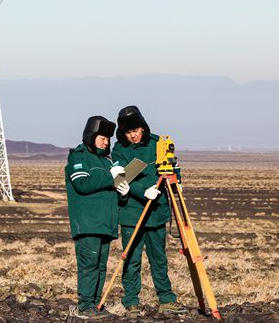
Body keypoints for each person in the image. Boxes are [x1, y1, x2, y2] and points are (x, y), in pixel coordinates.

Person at [112, 105, 188, 317]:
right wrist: (141, 191)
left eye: (135, 131)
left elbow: (174, 167)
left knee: (159, 259)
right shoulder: (119, 149)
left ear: (142, 127)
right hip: (131, 213)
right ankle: (131, 303)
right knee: (132, 260)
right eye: (128, 132)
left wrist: (177, 182)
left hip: (156, 213)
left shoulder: (158, 144)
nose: (133, 136)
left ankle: (166, 299)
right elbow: (121, 180)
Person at [65, 115, 130, 320]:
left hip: (106, 224)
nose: (106, 142)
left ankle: (95, 304)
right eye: (102, 137)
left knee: (101, 266)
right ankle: (85, 306)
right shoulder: (79, 157)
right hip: (88, 223)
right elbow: (82, 184)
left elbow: (115, 193)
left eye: (108, 139)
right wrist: (111, 176)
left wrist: (124, 189)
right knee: (89, 265)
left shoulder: (108, 161)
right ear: (91, 136)